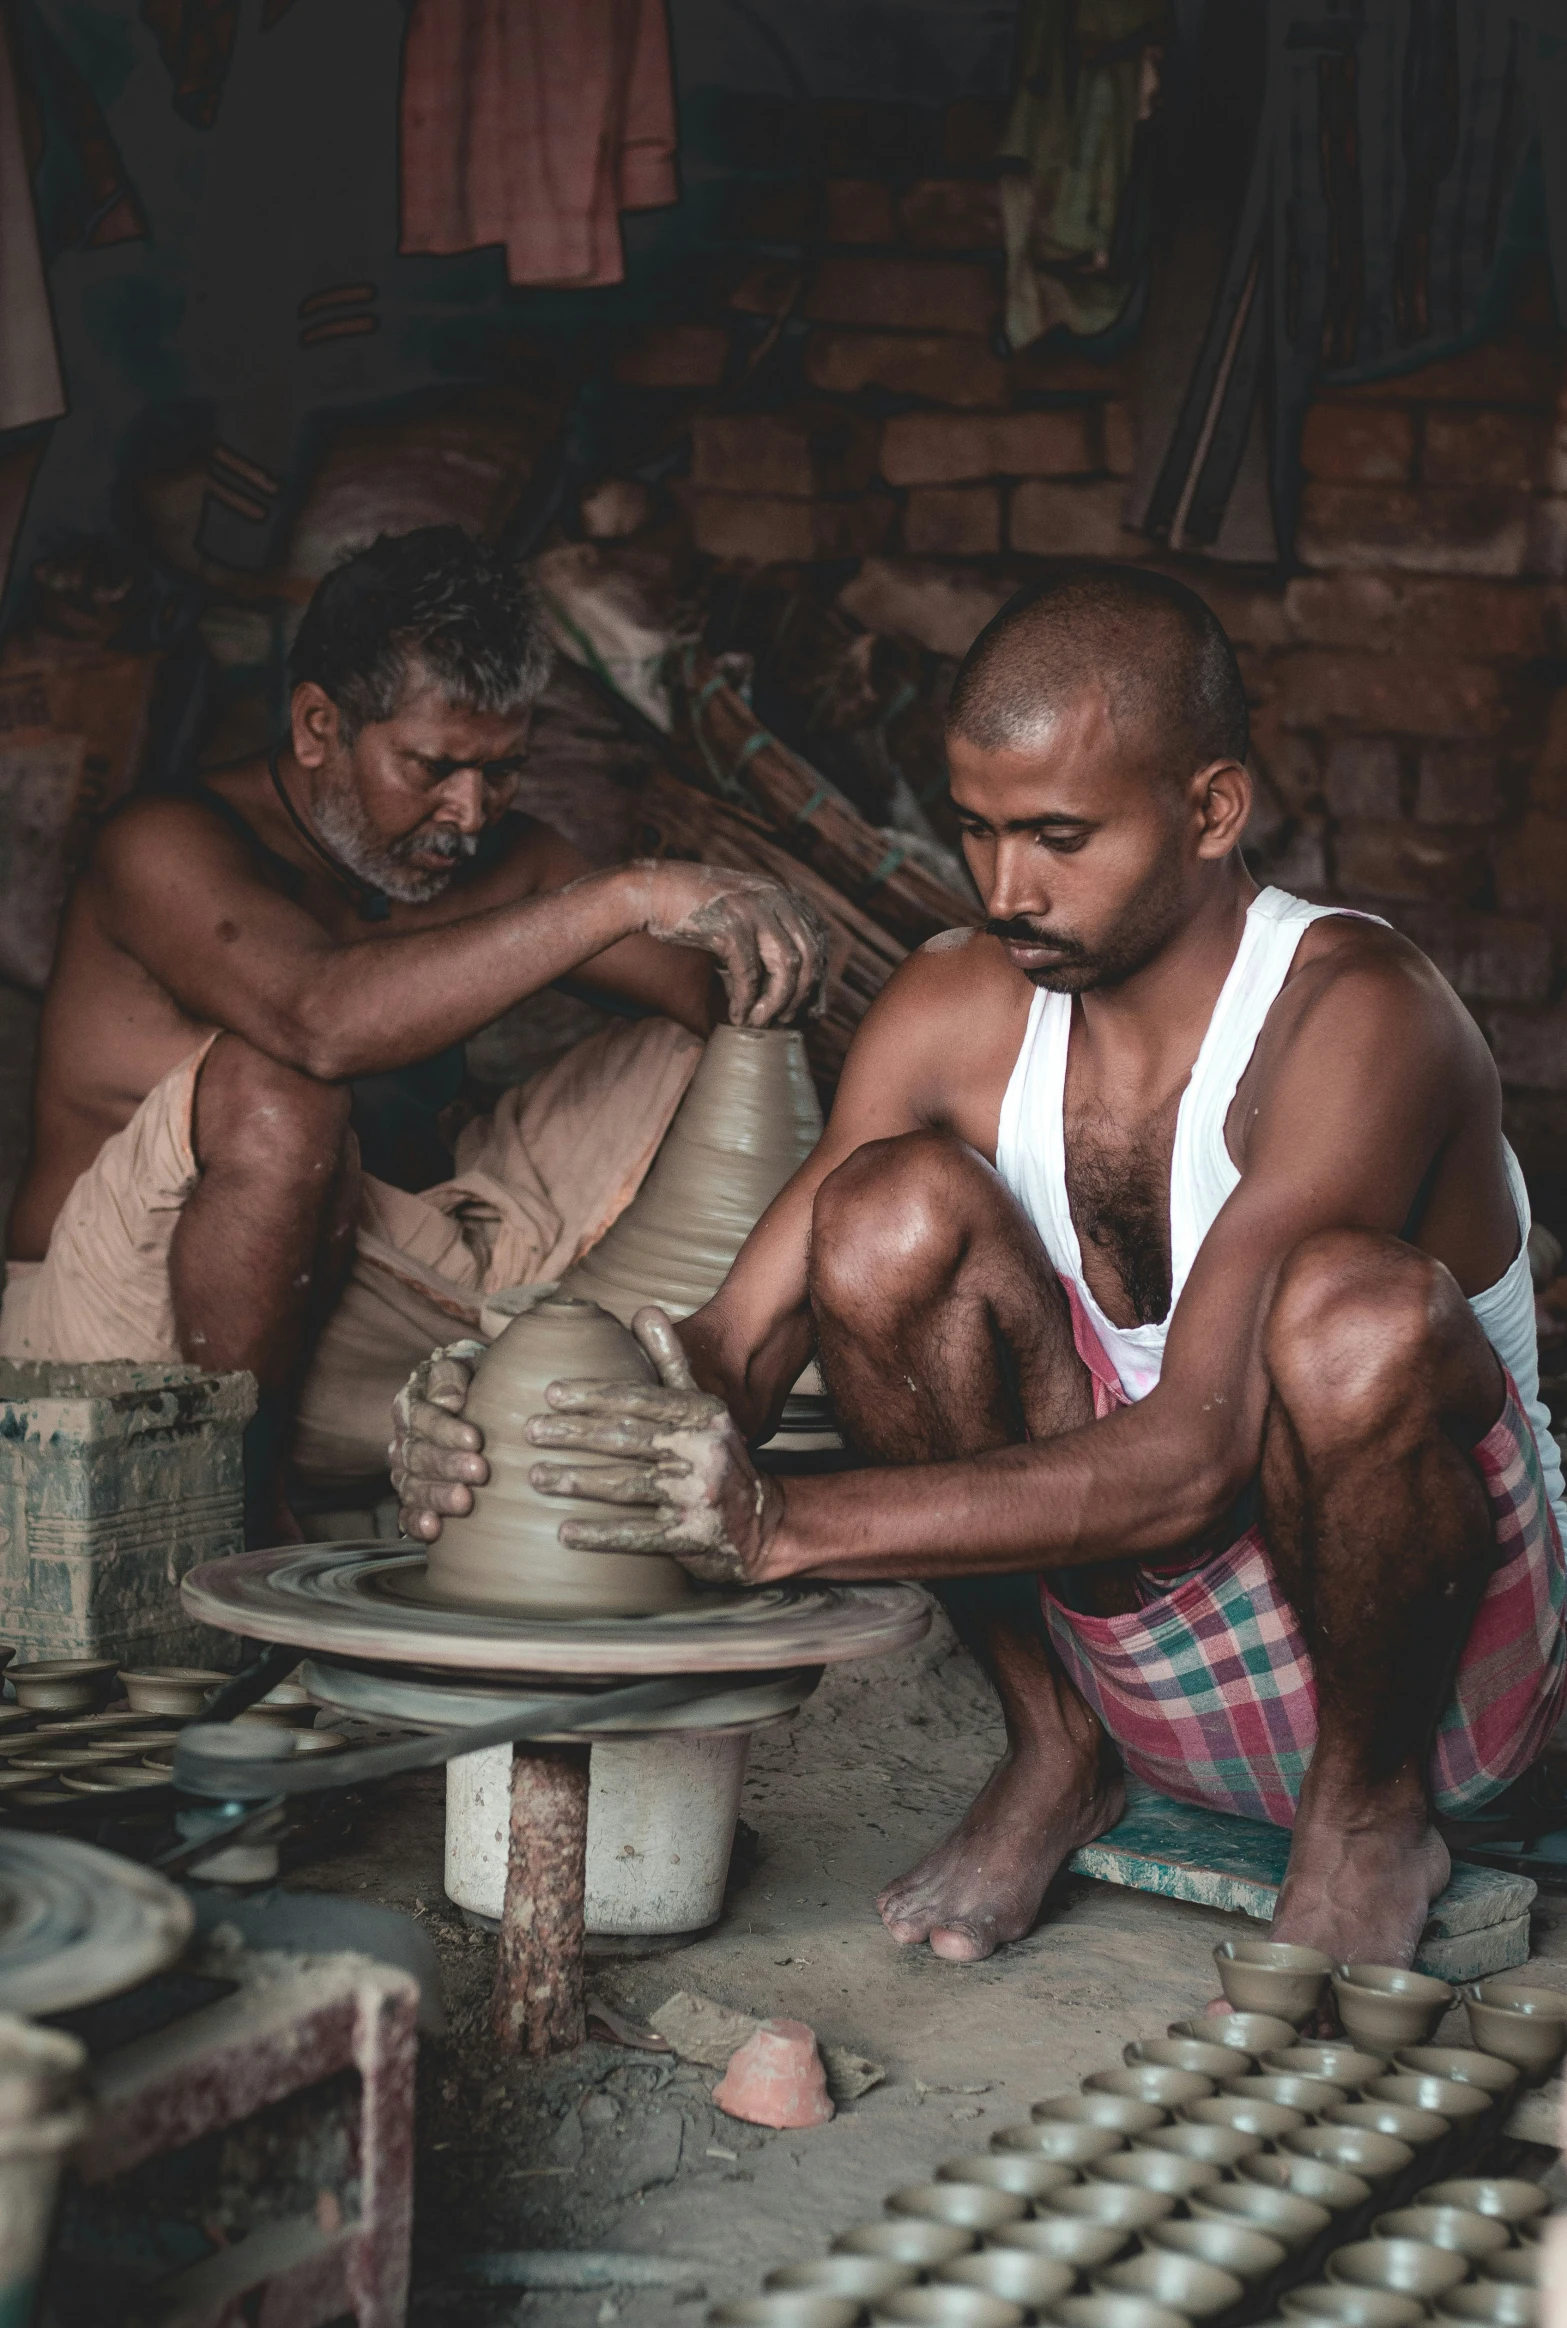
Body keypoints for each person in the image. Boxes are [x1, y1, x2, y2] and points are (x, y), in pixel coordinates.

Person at [391, 561, 1567, 1971]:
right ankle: (1055, 1749)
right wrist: (515, 1417)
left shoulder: (1359, 1015)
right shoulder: (955, 1006)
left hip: (1433, 1687)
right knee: (882, 1212)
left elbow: (1195, 1455)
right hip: (1149, 1667)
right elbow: (725, 1351)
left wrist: (785, 1525)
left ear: (1209, 809)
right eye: (976, 830)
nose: (1006, 887)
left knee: (1346, 1317)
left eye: (1059, 836)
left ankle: (1366, 1819)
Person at [2, 527, 825, 1532]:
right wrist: (627, 892)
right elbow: (320, 1021)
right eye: (432, 766)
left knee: (732, 1031)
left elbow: (725, 1003)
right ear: (317, 726)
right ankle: (236, 1523)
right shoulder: (165, 842)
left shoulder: (508, 859)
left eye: (505, 770)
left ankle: (598, 1399)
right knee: (279, 1087)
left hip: (402, 1317)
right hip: (130, 1337)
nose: (469, 812)